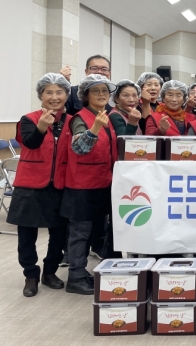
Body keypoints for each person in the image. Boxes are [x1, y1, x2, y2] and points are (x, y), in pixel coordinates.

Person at [7, 74, 71, 297]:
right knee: (27, 234)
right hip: (30, 184)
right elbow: (30, 143)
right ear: (40, 95)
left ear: (66, 95)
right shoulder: (29, 119)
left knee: (59, 234)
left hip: (61, 184)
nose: (54, 97)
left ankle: (50, 272)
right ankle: (31, 275)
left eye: (59, 92)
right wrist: (42, 127)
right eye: (48, 92)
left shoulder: (73, 121)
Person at [60, 74, 117, 295]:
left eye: (105, 91)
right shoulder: (80, 118)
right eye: (96, 91)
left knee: (97, 232)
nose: (101, 94)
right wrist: (94, 128)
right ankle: (75, 277)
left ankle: (86, 273)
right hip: (82, 186)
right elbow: (79, 148)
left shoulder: (106, 116)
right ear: (85, 95)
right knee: (80, 233)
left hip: (102, 183)